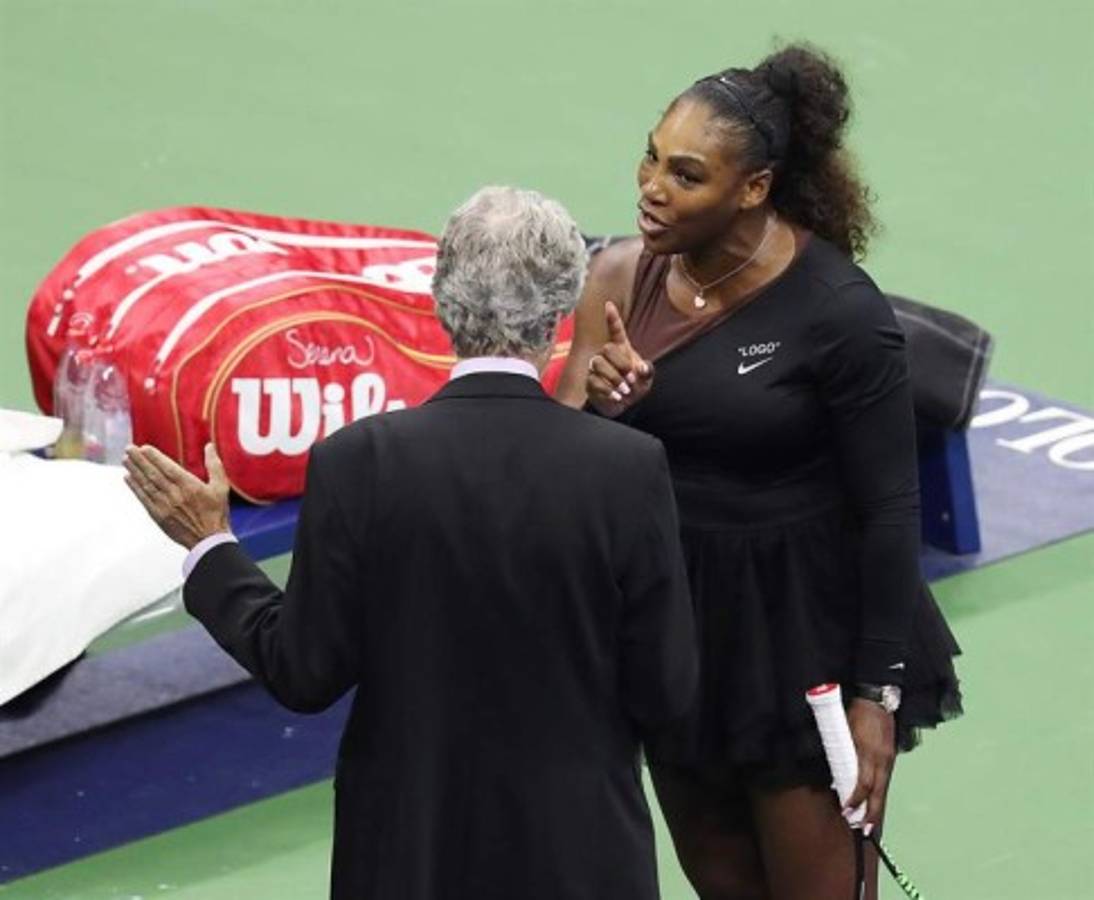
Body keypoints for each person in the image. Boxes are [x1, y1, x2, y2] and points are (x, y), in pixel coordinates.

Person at [123, 186, 698, 900]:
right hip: (579, 859)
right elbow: (668, 691)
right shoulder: (627, 468)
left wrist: (211, 546)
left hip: (406, 860)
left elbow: (303, 672)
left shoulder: (356, 462)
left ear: (441, 299)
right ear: (560, 312)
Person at [556, 44, 962, 899]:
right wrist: (606, 410)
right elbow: (561, 467)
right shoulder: (620, 277)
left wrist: (874, 700)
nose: (651, 188)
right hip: (678, 632)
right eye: (652, 157)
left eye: (687, 174)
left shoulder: (841, 315)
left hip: (803, 641)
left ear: (754, 187)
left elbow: (891, 509)